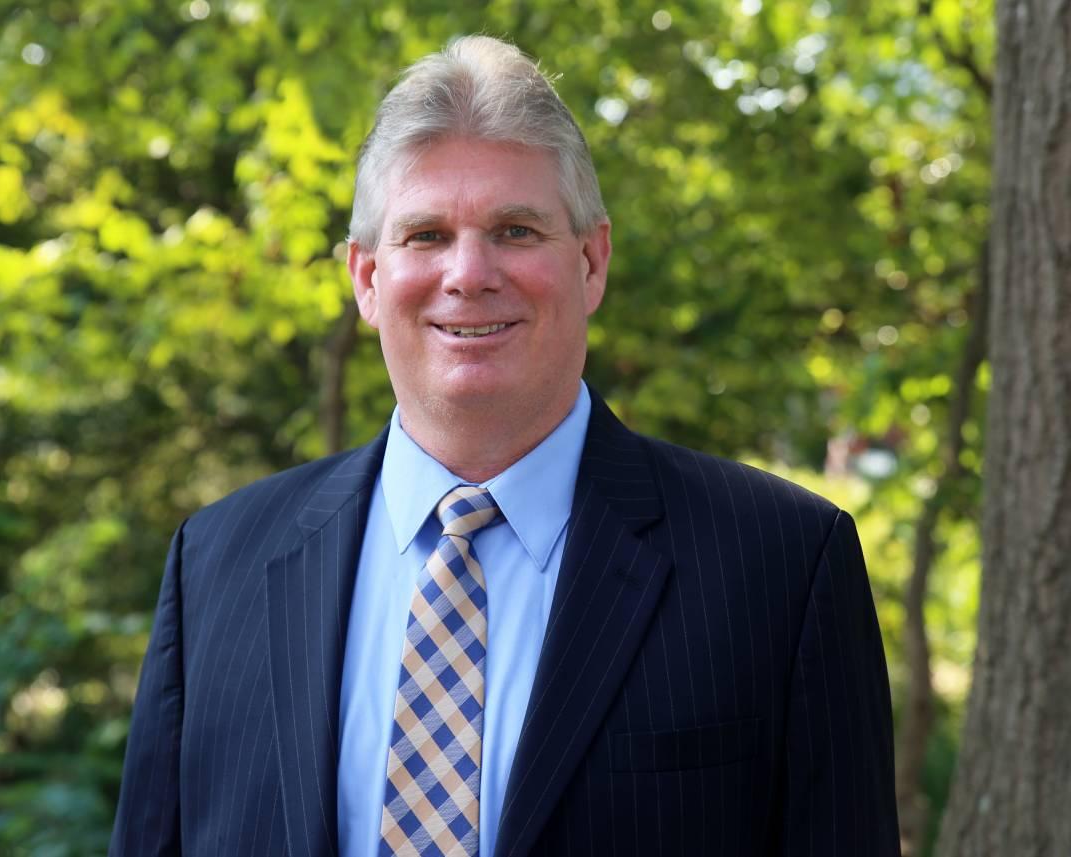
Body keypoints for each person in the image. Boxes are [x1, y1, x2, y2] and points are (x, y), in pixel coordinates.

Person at [110, 35, 900, 857]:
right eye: (424, 235)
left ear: (591, 263)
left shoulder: (782, 564)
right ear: (367, 280)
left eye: (516, 230)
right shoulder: (216, 563)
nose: (469, 272)